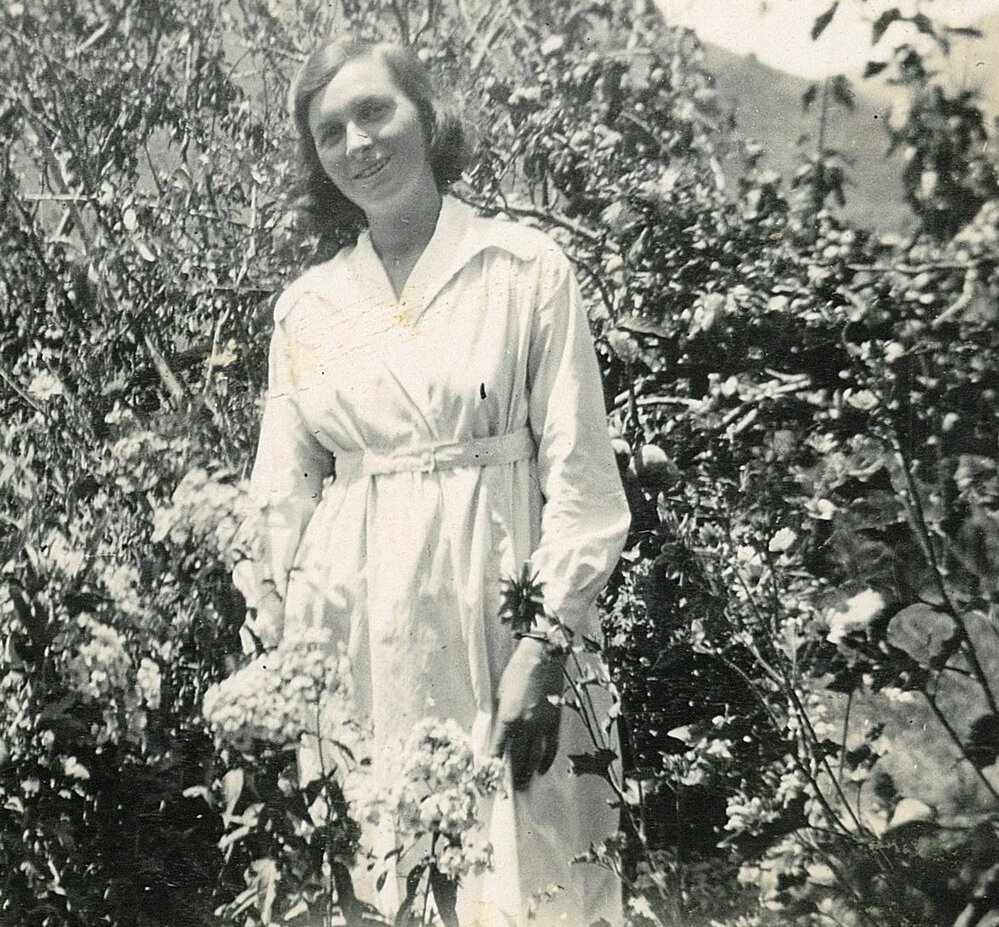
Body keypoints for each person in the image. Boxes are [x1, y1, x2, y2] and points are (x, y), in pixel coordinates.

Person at [232, 38, 631, 927]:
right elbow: (279, 497)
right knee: (385, 878)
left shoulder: (523, 271)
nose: (357, 143)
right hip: (357, 635)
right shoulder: (308, 309)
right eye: (329, 130)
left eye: (376, 111)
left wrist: (544, 649)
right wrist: (275, 644)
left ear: (427, 114)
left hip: (504, 629)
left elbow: (583, 482)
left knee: (530, 871)